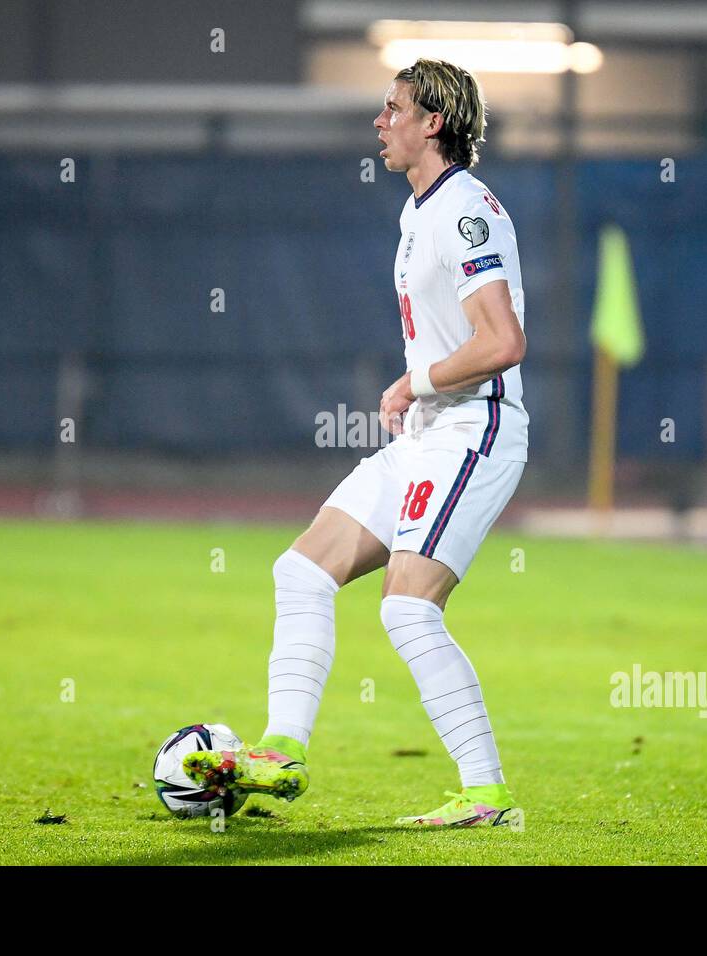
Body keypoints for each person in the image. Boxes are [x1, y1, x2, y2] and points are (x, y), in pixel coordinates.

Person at [184, 59, 529, 827]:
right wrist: (422, 391)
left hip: (474, 430)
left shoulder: (464, 210)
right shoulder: (419, 211)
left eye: (392, 109)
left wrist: (418, 382)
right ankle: (282, 750)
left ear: (431, 121)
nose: (379, 122)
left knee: (407, 610)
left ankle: (487, 794)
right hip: (430, 435)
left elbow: (504, 342)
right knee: (300, 571)